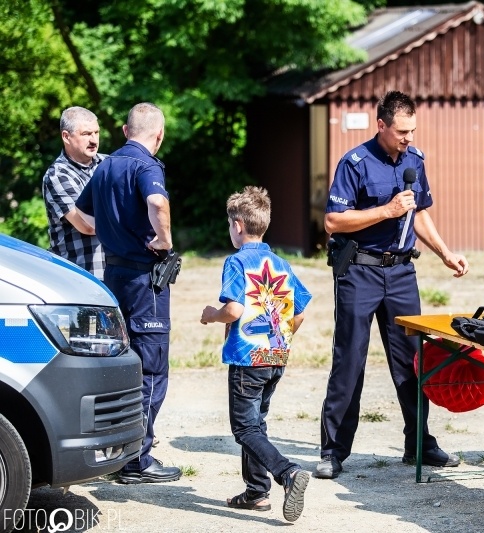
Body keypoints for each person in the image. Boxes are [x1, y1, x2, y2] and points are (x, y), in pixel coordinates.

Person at [316, 90, 469, 479]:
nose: (409, 138)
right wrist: (385, 211)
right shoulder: (354, 163)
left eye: (413, 130)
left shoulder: (415, 161)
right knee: (349, 361)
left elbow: (418, 215)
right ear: (380, 125)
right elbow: (334, 222)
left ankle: (419, 442)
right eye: (402, 131)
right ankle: (333, 452)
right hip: (360, 272)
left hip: (401, 273)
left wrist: (444, 253)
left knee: (414, 363)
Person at [75, 102, 180, 484]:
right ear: (159, 134)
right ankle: (137, 459)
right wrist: (163, 239)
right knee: (151, 369)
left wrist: (110, 231)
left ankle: (118, 451)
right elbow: (157, 202)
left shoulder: (104, 166)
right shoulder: (146, 165)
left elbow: (82, 213)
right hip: (144, 281)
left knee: (121, 365)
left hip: (114, 275)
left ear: (123, 131)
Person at [200, 186, 311, 522]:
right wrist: (280, 339)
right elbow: (301, 311)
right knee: (256, 425)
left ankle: (287, 473)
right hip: (275, 355)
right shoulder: (280, 263)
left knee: (245, 429)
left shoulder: (236, 262)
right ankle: (256, 492)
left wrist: (211, 314)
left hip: (247, 358)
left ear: (237, 225)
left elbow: (233, 309)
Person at [42, 106, 106, 279]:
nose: (94, 140)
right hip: (80, 278)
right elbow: (87, 225)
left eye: (96, 133)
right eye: (86, 134)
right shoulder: (58, 175)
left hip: (116, 275)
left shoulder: (109, 164)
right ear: (66, 137)